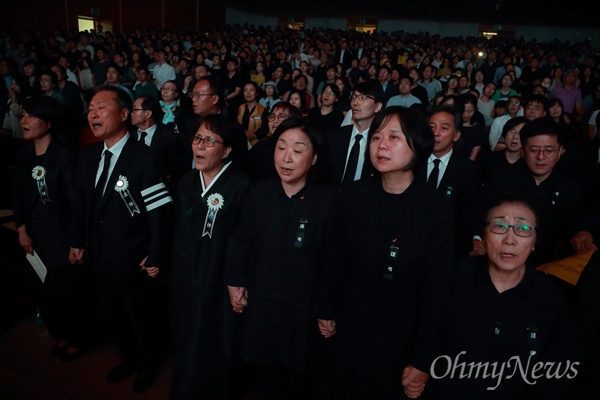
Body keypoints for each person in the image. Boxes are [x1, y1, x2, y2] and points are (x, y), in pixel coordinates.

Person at [331, 106, 455, 399]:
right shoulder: (354, 194)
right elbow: (334, 258)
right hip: (346, 330)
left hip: (399, 339)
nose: (381, 145)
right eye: (376, 137)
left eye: (393, 137)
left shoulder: (436, 210)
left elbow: (437, 289)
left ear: (417, 144)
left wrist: (423, 358)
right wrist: (326, 309)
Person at [427, 191, 584, 399]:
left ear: (536, 241)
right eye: (500, 226)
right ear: (484, 234)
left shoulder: (552, 301)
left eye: (524, 228)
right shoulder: (451, 279)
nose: (510, 240)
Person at [227, 117, 337, 400]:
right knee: (264, 371)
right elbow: (243, 241)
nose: (286, 158)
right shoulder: (261, 192)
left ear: (314, 158)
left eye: (298, 150)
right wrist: (236, 281)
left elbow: (331, 262)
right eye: (281, 147)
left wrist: (325, 309)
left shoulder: (326, 201)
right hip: (262, 299)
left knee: (299, 375)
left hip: (302, 309)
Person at [71, 87, 173, 393]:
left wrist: (155, 253)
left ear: (125, 114)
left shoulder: (146, 158)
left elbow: (159, 212)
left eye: (101, 108)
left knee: (140, 316)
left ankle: (148, 363)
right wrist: (77, 241)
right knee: (113, 314)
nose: (93, 114)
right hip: (98, 255)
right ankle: (128, 358)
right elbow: (80, 204)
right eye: (90, 109)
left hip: (133, 258)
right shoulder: (88, 156)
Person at [169, 113, 251, 400]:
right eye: (197, 139)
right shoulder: (186, 182)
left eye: (209, 140)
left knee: (215, 343)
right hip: (186, 276)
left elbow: (243, 242)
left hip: (218, 282)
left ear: (226, 150)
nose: (200, 146)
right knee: (186, 339)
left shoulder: (241, 186)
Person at [11, 96, 92, 362]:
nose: (24, 121)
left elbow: (77, 203)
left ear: (48, 123)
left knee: (67, 293)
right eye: (23, 115)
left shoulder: (65, 155)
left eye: (30, 116)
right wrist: (21, 229)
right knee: (43, 292)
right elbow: (17, 196)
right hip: (33, 237)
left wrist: (75, 241)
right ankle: (61, 334)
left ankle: (79, 337)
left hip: (60, 236)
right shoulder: (23, 154)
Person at [326, 80, 384, 190]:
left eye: (362, 98)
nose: (355, 102)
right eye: (354, 97)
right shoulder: (334, 137)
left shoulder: (381, 144)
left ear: (378, 106)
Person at [246, 101, 303, 183]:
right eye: (272, 116)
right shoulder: (261, 146)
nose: (275, 121)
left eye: (281, 117)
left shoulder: (299, 148)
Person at [480, 116, 527, 183]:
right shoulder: (489, 159)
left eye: (521, 133)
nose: (515, 137)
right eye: (512, 131)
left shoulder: (529, 164)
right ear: (505, 134)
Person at [237, 81, 269, 147]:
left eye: (251, 90)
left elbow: (265, 129)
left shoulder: (263, 110)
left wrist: (252, 136)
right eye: (245, 90)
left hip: (258, 144)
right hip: (241, 142)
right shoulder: (240, 108)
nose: (248, 92)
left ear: (256, 93)